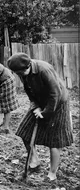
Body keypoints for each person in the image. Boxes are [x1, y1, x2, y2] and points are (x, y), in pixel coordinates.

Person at [7, 53, 74, 182]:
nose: (19, 75)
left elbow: (56, 94)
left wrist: (45, 113)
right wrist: (36, 107)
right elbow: (29, 91)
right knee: (24, 131)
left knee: (54, 141)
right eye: (17, 73)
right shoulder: (22, 73)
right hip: (40, 102)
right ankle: (34, 161)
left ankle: (52, 173)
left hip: (58, 103)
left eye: (20, 72)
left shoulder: (44, 70)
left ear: (28, 66)